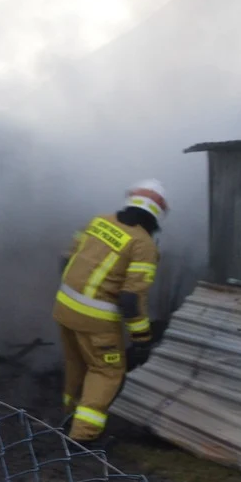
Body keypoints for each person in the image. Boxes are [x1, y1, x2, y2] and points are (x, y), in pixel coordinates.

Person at [54, 179, 165, 443]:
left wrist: (77, 296)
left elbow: (65, 259)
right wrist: (141, 339)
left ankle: (69, 415)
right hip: (98, 321)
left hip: (64, 308)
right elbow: (130, 299)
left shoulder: (98, 221)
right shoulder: (144, 245)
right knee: (107, 372)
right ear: (157, 214)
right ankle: (83, 437)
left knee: (77, 363)